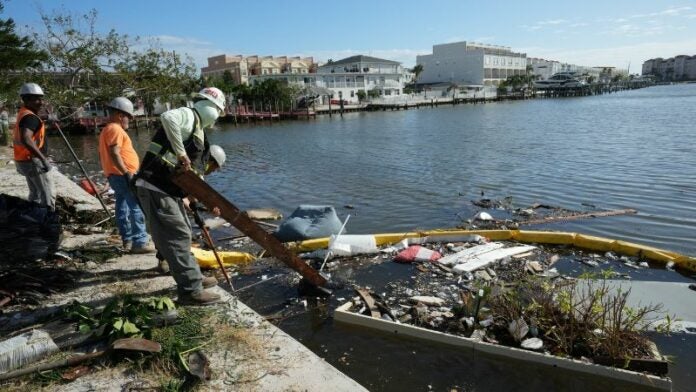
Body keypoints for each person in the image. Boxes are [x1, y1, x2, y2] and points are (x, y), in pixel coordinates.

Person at [135, 87, 226, 305]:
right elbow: (167, 117)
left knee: (183, 232)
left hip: (166, 189)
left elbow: (195, 179)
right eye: (217, 110)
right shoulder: (189, 115)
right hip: (155, 185)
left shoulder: (198, 132)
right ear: (209, 106)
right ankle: (190, 291)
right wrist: (181, 153)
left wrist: (207, 201)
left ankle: (194, 278)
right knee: (176, 235)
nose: (217, 116)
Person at [156, 144, 226, 273]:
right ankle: (175, 266)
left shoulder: (197, 170)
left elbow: (190, 199)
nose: (213, 171)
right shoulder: (191, 166)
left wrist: (200, 215)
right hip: (161, 193)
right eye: (215, 168)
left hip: (170, 193)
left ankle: (169, 261)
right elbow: (189, 196)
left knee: (180, 229)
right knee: (177, 231)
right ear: (209, 160)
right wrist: (203, 210)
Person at [99, 97, 154, 254]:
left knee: (122, 206)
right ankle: (140, 242)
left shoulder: (107, 129)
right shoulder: (115, 129)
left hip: (115, 175)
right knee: (136, 206)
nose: (129, 120)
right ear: (119, 114)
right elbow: (115, 153)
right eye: (128, 116)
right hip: (122, 175)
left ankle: (127, 240)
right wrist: (127, 173)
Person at [13, 83, 55, 210]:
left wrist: (46, 117)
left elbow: (31, 121)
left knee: (35, 194)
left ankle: (32, 218)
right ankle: (47, 222)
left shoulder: (24, 112)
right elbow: (27, 139)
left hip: (23, 159)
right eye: (36, 99)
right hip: (33, 161)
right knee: (47, 195)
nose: (40, 102)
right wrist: (43, 159)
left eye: (41, 98)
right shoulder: (31, 118)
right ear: (25, 99)